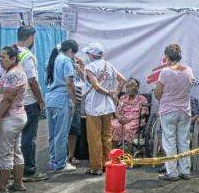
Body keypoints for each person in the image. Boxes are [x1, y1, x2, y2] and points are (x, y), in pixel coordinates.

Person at [0, 45, 28, 193]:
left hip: (9, 117)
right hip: (16, 116)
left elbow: (8, 99)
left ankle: (2, 187)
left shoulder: (13, 74)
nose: (0, 59)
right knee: (15, 150)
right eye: (0, 56)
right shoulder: (12, 71)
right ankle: (18, 183)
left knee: (5, 152)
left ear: (13, 58)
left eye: (3, 57)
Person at [154, 44, 195, 181]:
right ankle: (185, 170)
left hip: (168, 110)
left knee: (169, 141)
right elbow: (190, 86)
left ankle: (172, 172)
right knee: (184, 140)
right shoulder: (188, 70)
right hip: (184, 110)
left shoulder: (165, 72)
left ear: (167, 57)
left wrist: (164, 96)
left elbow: (158, 93)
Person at [83, 42, 126, 175]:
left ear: (91, 54)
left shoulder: (90, 67)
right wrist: (115, 93)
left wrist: (109, 93)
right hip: (107, 106)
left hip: (94, 106)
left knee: (94, 137)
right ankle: (107, 163)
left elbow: (95, 86)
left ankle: (96, 167)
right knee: (107, 135)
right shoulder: (109, 65)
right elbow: (122, 79)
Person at [16, 25, 48, 182]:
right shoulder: (27, 55)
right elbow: (33, 81)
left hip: (14, 101)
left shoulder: (9, 52)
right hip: (28, 101)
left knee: (15, 138)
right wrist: (41, 100)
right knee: (29, 137)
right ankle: (29, 170)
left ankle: (14, 170)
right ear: (31, 37)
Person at [45, 39, 79, 173]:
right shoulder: (66, 61)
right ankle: (60, 164)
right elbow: (70, 83)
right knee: (61, 134)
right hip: (62, 99)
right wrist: (73, 101)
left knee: (53, 134)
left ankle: (54, 161)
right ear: (70, 51)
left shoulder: (51, 60)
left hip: (50, 99)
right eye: (74, 54)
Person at [111, 78, 148, 149]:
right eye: (127, 87)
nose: (128, 89)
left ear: (137, 87)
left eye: (131, 86)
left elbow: (142, 114)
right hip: (122, 119)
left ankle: (128, 154)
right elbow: (117, 111)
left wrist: (127, 119)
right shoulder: (122, 98)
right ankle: (114, 153)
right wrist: (119, 117)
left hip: (136, 121)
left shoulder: (142, 99)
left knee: (127, 127)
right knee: (114, 125)